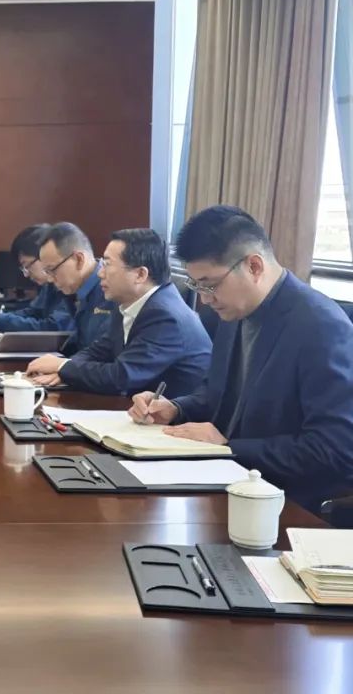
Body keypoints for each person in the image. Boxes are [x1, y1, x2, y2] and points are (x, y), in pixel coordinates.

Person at [128, 206, 353, 513]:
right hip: (222, 481)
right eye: (197, 286)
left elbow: (333, 449)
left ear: (254, 266)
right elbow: (216, 394)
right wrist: (176, 408)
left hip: (281, 501)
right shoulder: (234, 312)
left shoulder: (321, 327)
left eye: (210, 284)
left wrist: (228, 447)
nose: (204, 298)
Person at [26, 228, 211, 397]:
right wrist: (64, 370)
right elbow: (99, 350)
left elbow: (122, 376)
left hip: (175, 418)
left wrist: (63, 366)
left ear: (140, 275)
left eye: (107, 264)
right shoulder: (127, 303)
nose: (100, 273)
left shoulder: (165, 316)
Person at [0, 224, 73, 334]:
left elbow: (54, 327)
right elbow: (34, 312)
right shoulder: (49, 284)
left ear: (44, 256)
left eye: (27, 265)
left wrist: (0, 321)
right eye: (23, 269)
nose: (26, 275)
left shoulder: (69, 283)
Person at [34, 222, 115, 351]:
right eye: (46, 272)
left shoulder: (113, 291)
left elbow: (103, 353)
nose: (49, 279)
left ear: (79, 259)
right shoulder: (72, 292)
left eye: (52, 269)